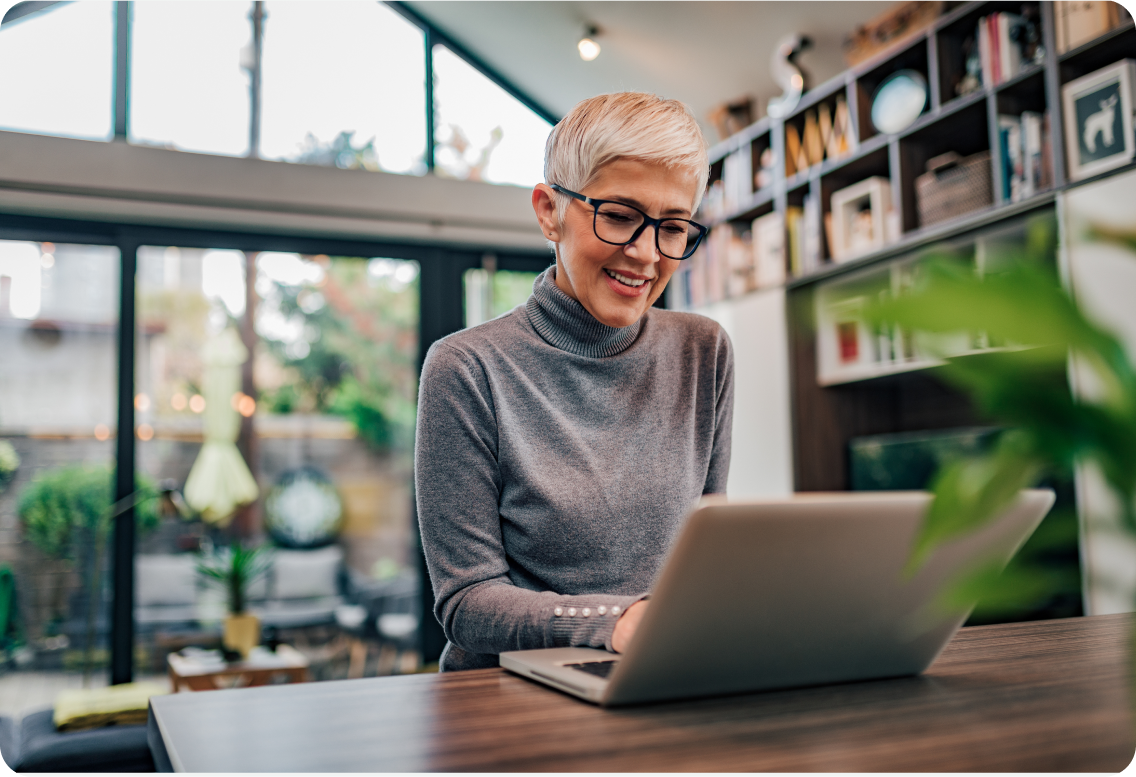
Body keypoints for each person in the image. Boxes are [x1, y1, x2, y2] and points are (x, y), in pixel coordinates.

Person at [415, 92, 734, 672]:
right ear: (548, 211)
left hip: (659, 678)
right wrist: (614, 623)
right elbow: (467, 603)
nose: (645, 254)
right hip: (507, 700)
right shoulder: (466, 369)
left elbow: (707, 555)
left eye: (673, 227)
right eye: (618, 216)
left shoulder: (702, 350)